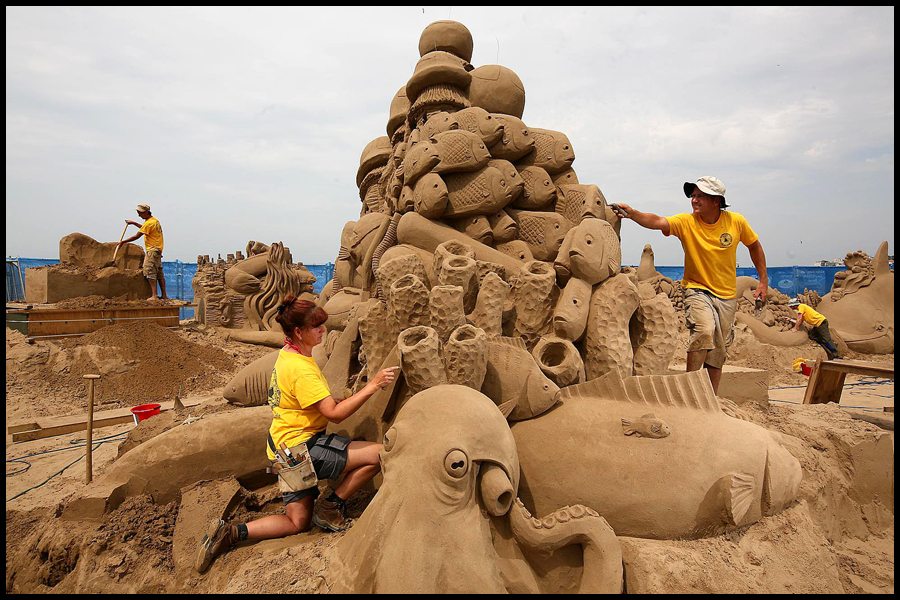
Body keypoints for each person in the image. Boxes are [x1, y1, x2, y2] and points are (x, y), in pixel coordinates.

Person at [194, 295, 398, 574]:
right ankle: (330, 507)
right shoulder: (302, 369)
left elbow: (304, 399)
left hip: (281, 449)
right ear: (299, 332)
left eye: (322, 325)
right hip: (302, 449)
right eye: (316, 327)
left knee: (296, 522)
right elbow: (335, 415)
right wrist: (373, 385)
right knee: (379, 454)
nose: (323, 331)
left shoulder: (288, 355)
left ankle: (230, 533)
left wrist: (330, 397)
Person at [611, 176, 768, 394]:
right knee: (704, 330)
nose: (694, 200)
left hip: (726, 295)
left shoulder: (736, 222)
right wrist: (632, 213)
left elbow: (754, 246)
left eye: (700, 196)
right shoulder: (687, 222)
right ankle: (691, 389)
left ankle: (710, 397)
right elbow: (657, 221)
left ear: (716, 201)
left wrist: (763, 280)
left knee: (718, 351)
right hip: (697, 289)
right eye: (693, 195)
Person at [117, 203, 167, 300]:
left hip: (152, 250)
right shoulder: (154, 220)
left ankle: (154, 295)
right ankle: (164, 295)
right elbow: (144, 228)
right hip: (157, 250)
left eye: (140, 213)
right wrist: (134, 223)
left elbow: (137, 236)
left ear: (146, 212)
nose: (139, 215)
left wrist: (123, 242)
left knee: (149, 271)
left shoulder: (149, 223)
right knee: (159, 273)